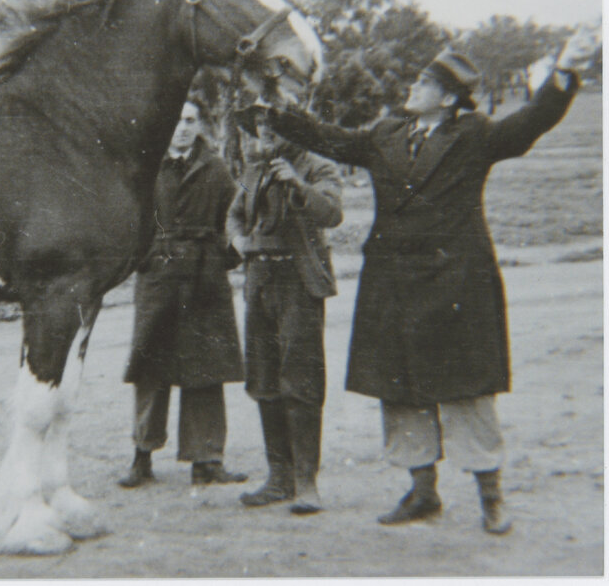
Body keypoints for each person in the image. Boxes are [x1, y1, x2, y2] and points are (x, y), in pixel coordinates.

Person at [255, 33, 596, 534]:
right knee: (401, 389)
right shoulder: (385, 132)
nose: (413, 87)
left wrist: (564, 72)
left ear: (450, 97)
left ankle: (491, 497)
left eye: (424, 82)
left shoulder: (475, 133)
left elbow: (530, 124)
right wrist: (276, 107)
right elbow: (329, 137)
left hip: (457, 281)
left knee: (468, 393)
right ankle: (422, 493)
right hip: (392, 282)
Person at [119, 99, 247, 488]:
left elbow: (237, 215)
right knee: (149, 368)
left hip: (204, 279)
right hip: (158, 277)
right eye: (176, 120)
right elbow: (129, 218)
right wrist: (144, 258)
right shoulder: (146, 167)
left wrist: (228, 254)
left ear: (200, 125)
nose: (183, 128)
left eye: (190, 120)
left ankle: (207, 460)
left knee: (205, 368)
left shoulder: (216, 168)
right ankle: (142, 456)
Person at [226, 104, 343, 515]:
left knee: (302, 379)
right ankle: (278, 478)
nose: (264, 132)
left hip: (299, 280)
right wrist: (240, 241)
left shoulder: (317, 167)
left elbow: (332, 213)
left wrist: (298, 185)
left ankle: (306, 482)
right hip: (259, 280)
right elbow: (236, 215)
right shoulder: (256, 169)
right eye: (259, 126)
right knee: (263, 378)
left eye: (273, 125)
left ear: (295, 130)